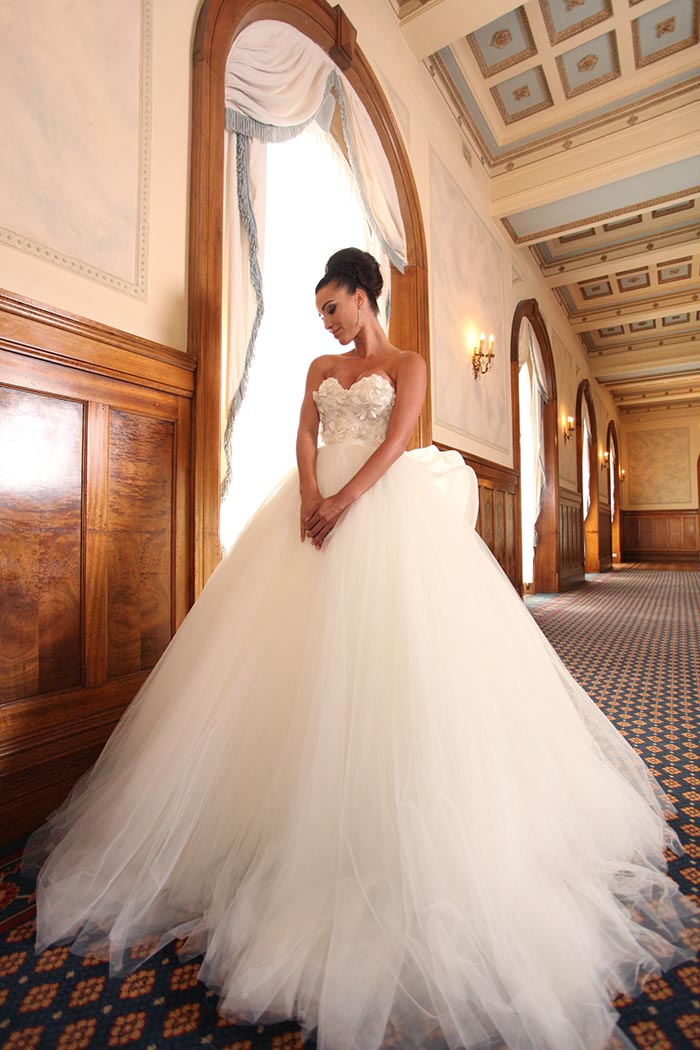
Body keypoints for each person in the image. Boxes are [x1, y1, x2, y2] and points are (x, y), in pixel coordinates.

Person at [23, 248, 698, 1050]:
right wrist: (311, 493)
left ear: (364, 295)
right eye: (321, 314)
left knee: (390, 670)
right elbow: (303, 433)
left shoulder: (407, 363)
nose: (329, 322)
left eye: (335, 307)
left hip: (380, 513)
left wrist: (345, 498)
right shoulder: (318, 365)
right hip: (310, 517)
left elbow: (395, 442)